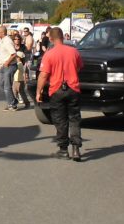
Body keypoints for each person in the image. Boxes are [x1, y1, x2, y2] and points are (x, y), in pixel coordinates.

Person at [35, 27, 84, 161]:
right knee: (74, 118)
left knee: (60, 120)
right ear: (63, 37)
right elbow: (79, 67)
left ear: (50, 38)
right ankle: (76, 149)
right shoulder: (74, 51)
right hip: (73, 88)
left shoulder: (49, 54)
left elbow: (43, 76)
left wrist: (38, 92)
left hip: (56, 89)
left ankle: (63, 150)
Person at [0, 27, 19, 111]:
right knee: (1, 84)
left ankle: (12, 104)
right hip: (3, 66)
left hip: (10, 66)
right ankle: (13, 101)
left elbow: (13, 54)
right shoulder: (2, 40)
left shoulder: (7, 41)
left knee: (7, 86)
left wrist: (7, 62)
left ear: (3, 33)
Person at [11, 34, 32, 110]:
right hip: (13, 68)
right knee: (14, 90)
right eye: (15, 39)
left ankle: (26, 103)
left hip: (21, 68)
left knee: (20, 90)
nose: (17, 41)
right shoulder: (11, 47)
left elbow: (27, 60)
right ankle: (13, 104)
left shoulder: (23, 47)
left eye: (18, 39)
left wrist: (26, 73)